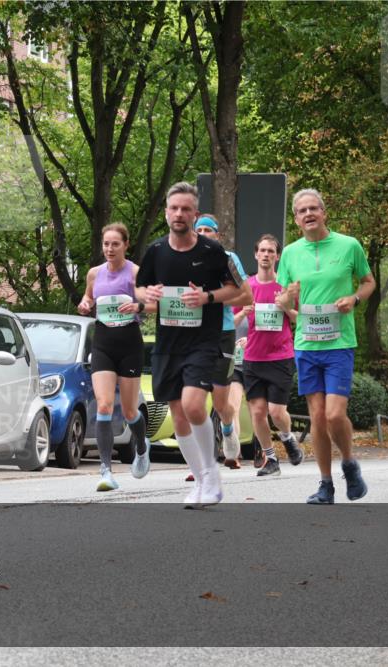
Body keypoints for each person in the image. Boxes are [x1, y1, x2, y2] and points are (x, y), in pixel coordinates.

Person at [137, 182, 244, 508]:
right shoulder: (156, 251)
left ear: (194, 215)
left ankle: (211, 473)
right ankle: (200, 478)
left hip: (205, 341)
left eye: (186, 209)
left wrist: (208, 297)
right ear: (167, 212)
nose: (179, 214)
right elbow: (140, 290)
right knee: (178, 414)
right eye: (174, 208)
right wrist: (148, 296)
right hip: (169, 344)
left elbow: (242, 293)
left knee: (195, 405)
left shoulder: (214, 254)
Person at [275, 189, 376, 504]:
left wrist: (355, 297)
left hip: (339, 343)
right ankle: (325, 484)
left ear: (324, 212)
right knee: (317, 416)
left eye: (313, 209)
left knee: (334, 415)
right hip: (306, 344)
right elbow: (281, 299)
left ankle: (348, 462)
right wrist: (288, 297)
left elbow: (368, 281)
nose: (308, 214)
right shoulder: (290, 253)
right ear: (296, 219)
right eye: (302, 211)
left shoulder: (349, 246)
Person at [77, 223, 151, 491]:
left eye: (115, 244)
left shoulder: (134, 273)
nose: (109, 249)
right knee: (105, 405)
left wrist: (138, 305)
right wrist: (85, 304)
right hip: (103, 343)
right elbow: (87, 298)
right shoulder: (94, 274)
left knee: (130, 411)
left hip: (129, 343)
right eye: (106, 244)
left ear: (125, 245)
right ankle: (106, 471)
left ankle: (142, 447)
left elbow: (154, 303)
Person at [235, 233, 304, 477]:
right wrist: (243, 313)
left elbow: (302, 319)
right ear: (256, 254)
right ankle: (270, 459)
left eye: (270, 251)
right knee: (257, 411)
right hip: (252, 358)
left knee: (276, 412)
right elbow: (231, 322)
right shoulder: (247, 287)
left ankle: (287, 437)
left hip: (280, 356)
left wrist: (286, 307)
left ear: (277, 257)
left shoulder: (286, 287)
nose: (266, 255)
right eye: (262, 250)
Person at [194, 216, 253, 469]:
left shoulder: (229, 258)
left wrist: (210, 299)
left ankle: (228, 428)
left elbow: (243, 295)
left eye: (209, 229)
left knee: (220, 403)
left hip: (223, 332)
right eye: (200, 229)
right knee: (193, 400)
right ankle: (200, 463)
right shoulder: (185, 257)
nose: (204, 233)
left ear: (218, 234)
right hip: (193, 334)